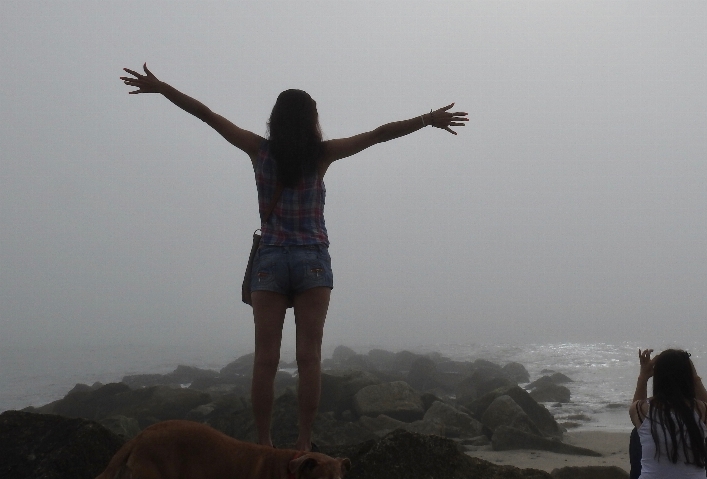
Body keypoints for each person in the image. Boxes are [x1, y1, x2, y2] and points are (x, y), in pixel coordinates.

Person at [120, 63, 468, 450]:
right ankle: (303, 443)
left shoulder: (258, 149)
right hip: (312, 262)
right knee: (309, 359)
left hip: (270, 260)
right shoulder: (322, 155)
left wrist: (162, 87)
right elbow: (379, 135)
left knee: (265, 359)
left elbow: (205, 114)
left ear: (275, 120)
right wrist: (428, 119)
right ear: (311, 121)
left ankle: (264, 443)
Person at [628, 348, 707, 479]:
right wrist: (695, 378)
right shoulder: (703, 410)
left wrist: (643, 376)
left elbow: (635, 416)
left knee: (639, 430)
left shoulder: (641, 408)